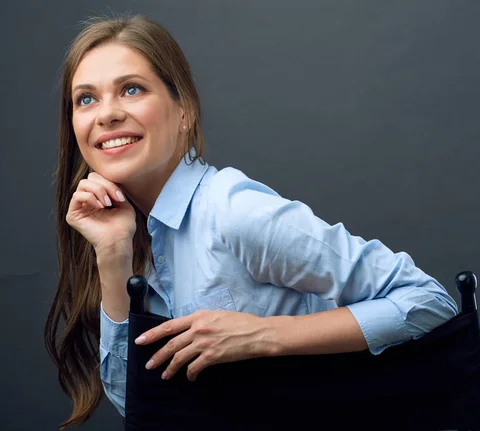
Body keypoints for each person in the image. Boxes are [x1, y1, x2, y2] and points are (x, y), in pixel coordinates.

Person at [44, 14, 458, 429]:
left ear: (183, 108)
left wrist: (260, 336)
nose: (107, 114)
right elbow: (138, 404)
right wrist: (113, 254)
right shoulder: (124, 232)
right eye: (86, 99)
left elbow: (427, 301)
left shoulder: (233, 212)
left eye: (131, 89)